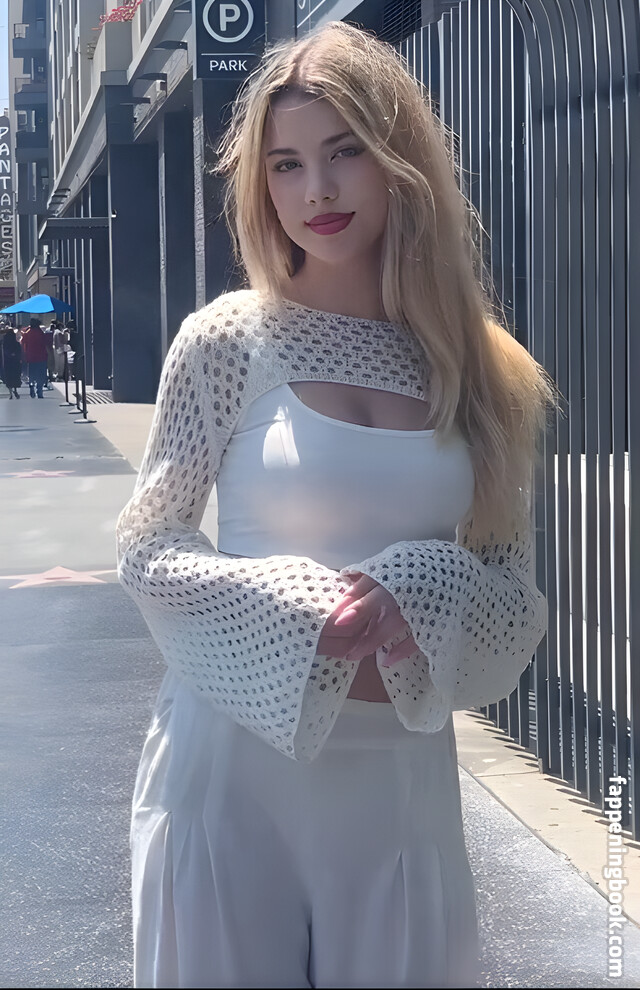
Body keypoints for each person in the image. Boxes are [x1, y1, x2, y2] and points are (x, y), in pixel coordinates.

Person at [116, 21, 556, 989]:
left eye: (345, 152)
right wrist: (297, 605)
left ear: (401, 160)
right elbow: (148, 550)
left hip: (398, 798)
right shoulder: (226, 342)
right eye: (285, 164)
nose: (315, 190)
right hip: (225, 781)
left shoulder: (480, 372)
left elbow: (513, 600)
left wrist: (424, 584)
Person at [20, 317, 49, 398]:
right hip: (41, 357)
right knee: (41, 375)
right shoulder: (41, 333)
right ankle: (39, 390)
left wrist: (24, 355)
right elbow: (45, 343)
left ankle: (31, 387)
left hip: (31, 357)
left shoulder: (27, 333)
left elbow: (23, 344)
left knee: (31, 375)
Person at [1, 326, 21, 398]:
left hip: (7, 362)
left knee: (8, 377)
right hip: (15, 362)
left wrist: (9, 354)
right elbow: (19, 351)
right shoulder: (16, 343)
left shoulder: (5, 343)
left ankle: (10, 393)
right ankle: (15, 390)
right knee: (15, 376)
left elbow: (4, 352)